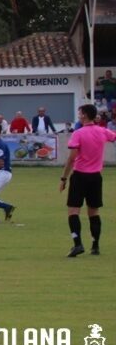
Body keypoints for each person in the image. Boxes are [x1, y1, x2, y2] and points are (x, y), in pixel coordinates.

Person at [60, 104, 116, 257]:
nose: (78, 115)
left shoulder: (78, 133)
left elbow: (72, 159)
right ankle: (95, 246)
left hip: (80, 176)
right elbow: (113, 137)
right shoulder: (103, 131)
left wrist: (64, 178)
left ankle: (77, 244)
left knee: (73, 210)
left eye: (79, 113)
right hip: (95, 177)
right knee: (94, 212)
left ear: (84, 115)